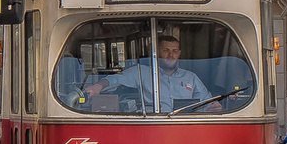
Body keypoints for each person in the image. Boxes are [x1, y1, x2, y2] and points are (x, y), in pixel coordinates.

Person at [85, 35, 220, 112]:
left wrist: (213, 107)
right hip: (151, 124)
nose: (170, 55)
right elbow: (114, 79)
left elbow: (206, 102)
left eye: (174, 51)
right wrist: (98, 86)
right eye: (165, 50)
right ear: (156, 53)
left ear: (179, 53)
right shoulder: (142, 72)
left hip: (183, 126)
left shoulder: (191, 77)